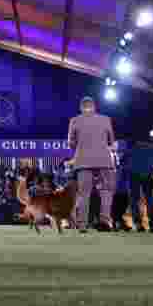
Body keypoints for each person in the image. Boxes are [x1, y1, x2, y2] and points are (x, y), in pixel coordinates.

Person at [67, 96, 116, 233]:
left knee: (84, 193)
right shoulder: (106, 119)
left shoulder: (74, 120)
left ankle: (82, 225)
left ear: (81, 107)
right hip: (105, 161)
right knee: (106, 191)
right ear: (94, 107)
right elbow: (111, 141)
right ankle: (105, 221)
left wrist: (80, 145)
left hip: (83, 161)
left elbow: (71, 144)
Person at [124, 137, 153, 232]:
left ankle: (138, 224)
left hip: (132, 174)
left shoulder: (132, 148)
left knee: (134, 199)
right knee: (150, 198)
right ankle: (152, 225)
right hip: (147, 174)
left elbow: (123, 161)